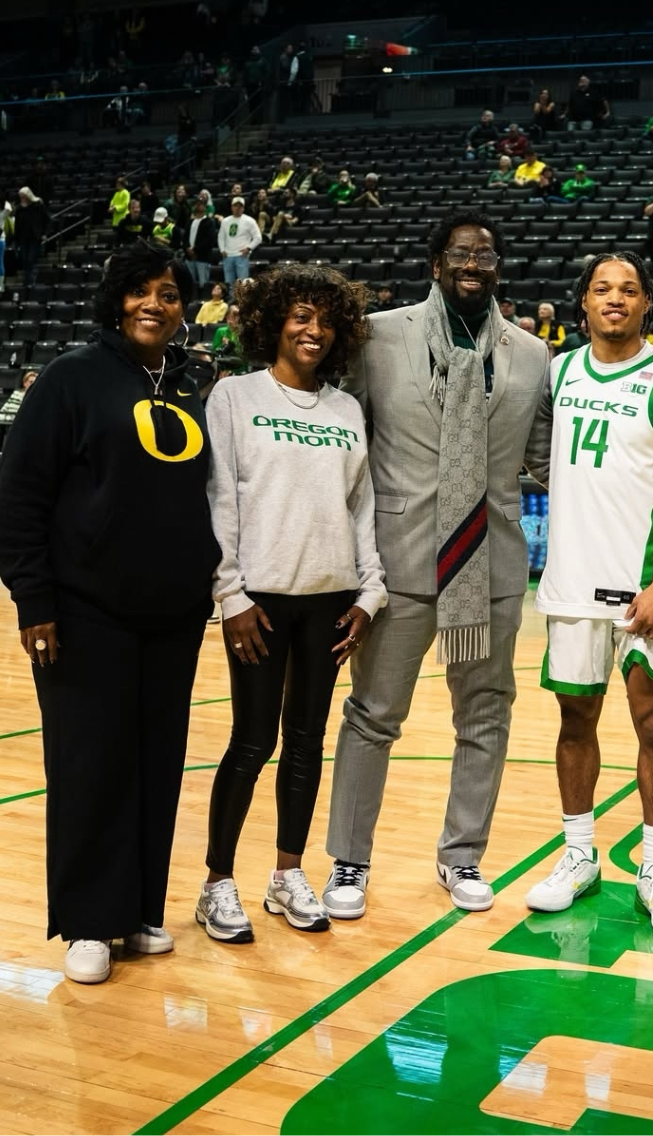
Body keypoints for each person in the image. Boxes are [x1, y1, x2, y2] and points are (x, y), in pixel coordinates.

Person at [0, 239, 220, 984]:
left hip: (173, 615)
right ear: (114, 300)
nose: (154, 304)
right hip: (84, 611)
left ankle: (138, 910)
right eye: (140, 290)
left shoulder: (192, 383)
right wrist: (34, 599)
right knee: (91, 763)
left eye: (168, 292)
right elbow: (20, 495)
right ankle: (89, 924)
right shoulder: (71, 379)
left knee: (155, 762)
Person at [322, 208, 551, 919]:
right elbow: (343, 445)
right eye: (460, 253)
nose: (474, 264)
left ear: (499, 267)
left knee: (484, 715)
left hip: (490, 565)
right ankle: (350, 863)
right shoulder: (377, 338)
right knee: (373, 714)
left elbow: (545, 460)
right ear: (435, 264)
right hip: (401, 565)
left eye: (486, 253)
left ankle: (462, 857)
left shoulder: (533, 355)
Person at [525, 250, 653, 937]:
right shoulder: (559, 372)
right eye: (602, 289)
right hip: (571, 586)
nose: (614, 299)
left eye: (628, 289)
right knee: (575, 723)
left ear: (644, 304)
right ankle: (579, 856)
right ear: (582, 304)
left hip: (644, 590)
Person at [197, 265, 386, 944]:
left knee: (307, 742)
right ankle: (217, 882)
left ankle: (286, 874)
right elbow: (220, 499)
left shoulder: (345, 409)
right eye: (300, 316)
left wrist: (370, 591)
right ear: (273, 321)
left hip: (330, 598)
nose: (312, 331)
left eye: (324, 320)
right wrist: (230, 591)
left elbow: (360, 507)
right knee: (251, 741)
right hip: (259, 600)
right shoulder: (235, 397)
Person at [218, 196, 262, 290]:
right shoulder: (225, 221)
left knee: (242, 284)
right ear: (231, 207)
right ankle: (230, 303)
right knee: (228, 284)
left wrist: (248, 248)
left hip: (241, 256)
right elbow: (221, 237)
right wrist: (222, 249)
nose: (237, 208)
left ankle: (242, 303)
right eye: (235, 205)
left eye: (240, 206)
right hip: (227, 256)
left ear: (243, 208)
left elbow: (258, 237)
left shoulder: (249, 220)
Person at [13, 187, 50, 290]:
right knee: (25, 260)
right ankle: (27, 281)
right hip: (23, 238)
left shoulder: (38, 206)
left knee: (30, 259)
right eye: (21, 197)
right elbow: (17, 225)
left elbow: (47, 220)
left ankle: (30, 281)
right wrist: (16, 239)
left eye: (23, 197)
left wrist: (44, 233)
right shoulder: (19, 209)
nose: (22, 198)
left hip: (35, 237)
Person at [185, 198, 219, 291]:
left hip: (202, 257)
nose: (199, 206)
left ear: (205, 207)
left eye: (201, 204)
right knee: (189, 283)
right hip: (189, 257)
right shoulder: (190, 222)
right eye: (197, 204)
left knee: (203, 283)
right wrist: (187, 249)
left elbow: (209, 240)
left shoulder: (209, 222)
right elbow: (185, 238)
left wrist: (195, 249)